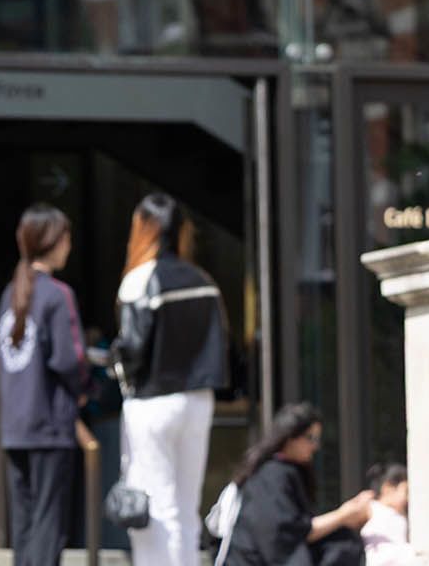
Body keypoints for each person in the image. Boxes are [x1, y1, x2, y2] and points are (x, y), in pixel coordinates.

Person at [108, 192, 230, 566]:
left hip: (152, 402)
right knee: (186, 504)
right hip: (198, 400)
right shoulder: (203, 280)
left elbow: (132, 350)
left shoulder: (139, 280)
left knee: (156, 506)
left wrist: (114, 364)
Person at [0, 203, 86, 566]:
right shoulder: (57, 294)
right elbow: (70, 360)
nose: (70, 246)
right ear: (54, 241)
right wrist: (85, 391)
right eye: (66, 238)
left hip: (15, 425)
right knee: (49, 525)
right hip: (48, 424)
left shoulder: (10, 293)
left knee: (25, 525)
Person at [220, 403, 374, 566]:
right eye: (310, 438)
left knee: (342, 541)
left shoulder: (284, 472)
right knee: (342, 545)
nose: (316, 446)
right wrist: (343, 515)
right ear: (290, 437)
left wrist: (343, 516)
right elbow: (285, 535)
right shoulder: (271, 476)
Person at [359, 463, 412, 564]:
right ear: (387, 488)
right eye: (406, 491)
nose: (408, 498)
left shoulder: (402, 515)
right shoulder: (372, 507)